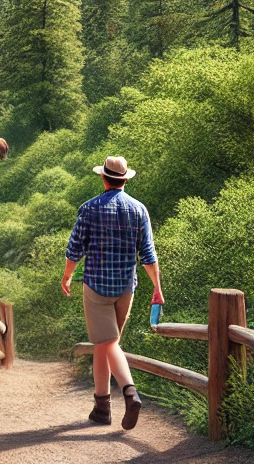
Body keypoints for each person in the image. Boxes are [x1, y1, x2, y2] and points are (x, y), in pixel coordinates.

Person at [63, 156, 162, 431]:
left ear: (103, 178)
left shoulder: (89, 208)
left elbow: (75, 249)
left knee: (107, 343)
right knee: (103, 343)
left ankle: (130, 393)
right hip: (125, 288)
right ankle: (101, 408)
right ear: (125, 179)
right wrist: (157, 288)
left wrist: (68, 276)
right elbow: (148, 255)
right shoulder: (139, 209)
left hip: (96, 286)